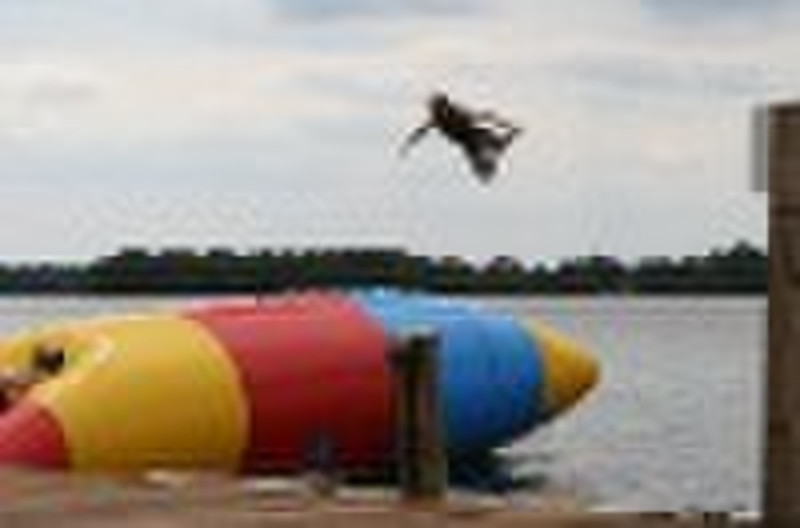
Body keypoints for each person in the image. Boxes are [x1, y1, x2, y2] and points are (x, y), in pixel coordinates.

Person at [400, 91, 522, 183]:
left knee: (496, 145)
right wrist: (409, 143)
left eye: (437, 110)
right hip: (470, 144)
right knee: (493, 148)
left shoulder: (459, 113)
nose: (435, 113)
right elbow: (421, 131)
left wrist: (508, 126)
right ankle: (486, 166)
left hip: (479, 137)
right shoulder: (436, 120)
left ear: (446, 107)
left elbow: (486, 115)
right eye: (434, 111)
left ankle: (488, 161)